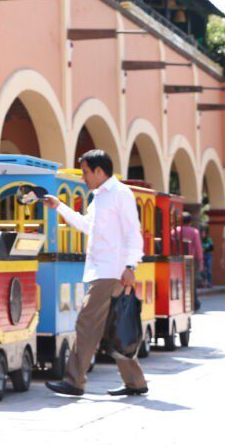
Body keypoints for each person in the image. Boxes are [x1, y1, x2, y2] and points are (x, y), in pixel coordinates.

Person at [43, 150, 148, 397]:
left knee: (86, 323)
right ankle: (135, 382)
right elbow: (86, 225)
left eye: (86, 172)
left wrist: (131, 266)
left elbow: (134, 232)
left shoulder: (120, 194)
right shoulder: (100, 197)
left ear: (100, 171)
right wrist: (59, 206)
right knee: (114, 326)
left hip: (111, 271)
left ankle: (74, 381)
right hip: (104, 270)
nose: (83, 178)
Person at [175, 212, 204, 310]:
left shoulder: (175, 231)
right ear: (190, 222)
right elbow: (198, 247)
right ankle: (194, 302)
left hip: (176, 259)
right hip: (190, 260)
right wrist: (200, 261)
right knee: (191, 281)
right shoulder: (194, 232)